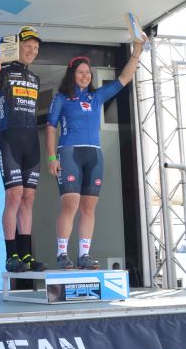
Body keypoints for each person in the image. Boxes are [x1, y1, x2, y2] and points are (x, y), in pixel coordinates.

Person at [46, 39, 144, 268]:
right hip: (69, 152)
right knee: (70, 204)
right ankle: (62, 254)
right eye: (81, 72)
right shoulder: (61, 98)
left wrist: (136, 53)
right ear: (72, 74)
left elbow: (124, 78)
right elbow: (50, 127)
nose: (85, 76)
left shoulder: (96, 96)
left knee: (89, 207)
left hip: (95, 156)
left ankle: (84, 255)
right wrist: (51, 157)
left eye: (88, 72)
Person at [0, 25, 46, 273]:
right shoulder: (4, 73)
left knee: (29, 198)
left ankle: (26, 255)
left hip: (32, 141)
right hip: (9, 139)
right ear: (16, 47)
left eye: (36, 48)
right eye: (28, 46)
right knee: (14, 196)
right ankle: (11, 256)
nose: (32, 51)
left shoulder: (35, 78)